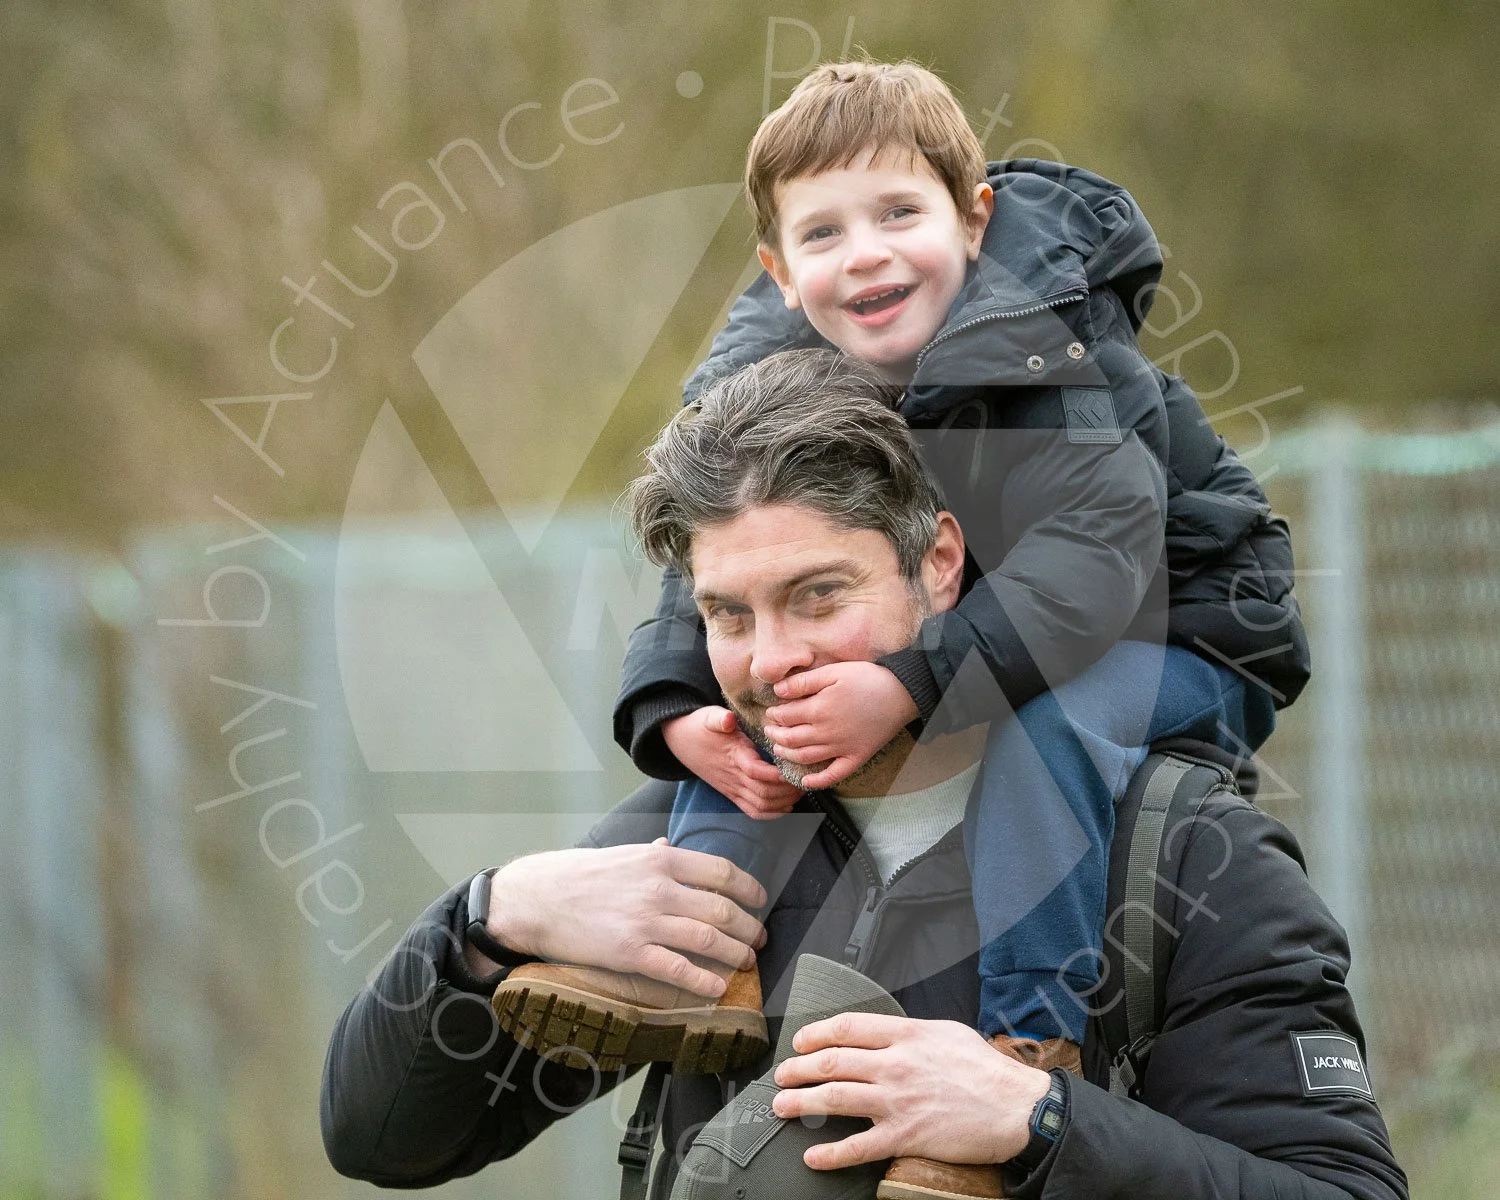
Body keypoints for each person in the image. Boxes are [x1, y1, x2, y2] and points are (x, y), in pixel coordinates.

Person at [320, 351, 1406, 1200]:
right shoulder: (687, 846)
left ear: (940, 564)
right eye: (726, 615)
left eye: (818, 596)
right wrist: (491, 916)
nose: (769, 659)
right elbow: (380, 1137)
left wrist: (1044, 1125)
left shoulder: (1179, 849)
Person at [579, 58, 1308, 1089]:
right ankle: (704, 974)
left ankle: (1026, 1039)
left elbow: (1096, 567)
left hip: (1179, 630)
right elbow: (721, 549)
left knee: (1035, 732)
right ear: (779, 269)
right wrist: (673, 702)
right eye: (823, 233)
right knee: (758, 712)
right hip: (993, 623)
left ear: (973, 219)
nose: (866, 256)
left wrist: (909, 684)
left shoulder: (1059, 351)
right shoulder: (766, 388)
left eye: (898, 214)